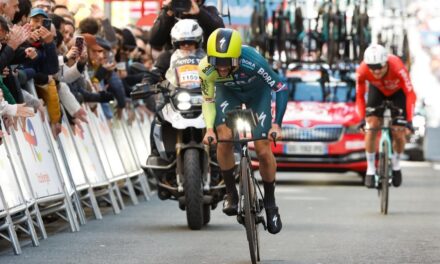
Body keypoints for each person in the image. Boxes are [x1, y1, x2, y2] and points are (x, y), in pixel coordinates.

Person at [198, 28, 288, 234]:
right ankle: (231, 193)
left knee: (263, 148)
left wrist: (277, 125)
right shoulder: (205, 69)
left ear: (237, 58)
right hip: (228, 93)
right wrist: (209, 129)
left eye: (227, 63)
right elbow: (208, 100)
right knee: (224, 136)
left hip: (257, 95)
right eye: (216, 62)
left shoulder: (254, 62)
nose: (221, 68)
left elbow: (280, 88)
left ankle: (271, 204)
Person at [356, 44, 416, 188]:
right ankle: (370, 169)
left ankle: (396, 163)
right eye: (372, 68)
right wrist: (361, 119)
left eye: (379, 67)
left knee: (398, 131)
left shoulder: (397, 66)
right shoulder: (362, 70)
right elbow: (359, 96)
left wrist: (409, 120)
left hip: (398, 93)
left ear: (386, 63)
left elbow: (410, 93)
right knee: (371, 125)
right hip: (377, 92)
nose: (376, 72)